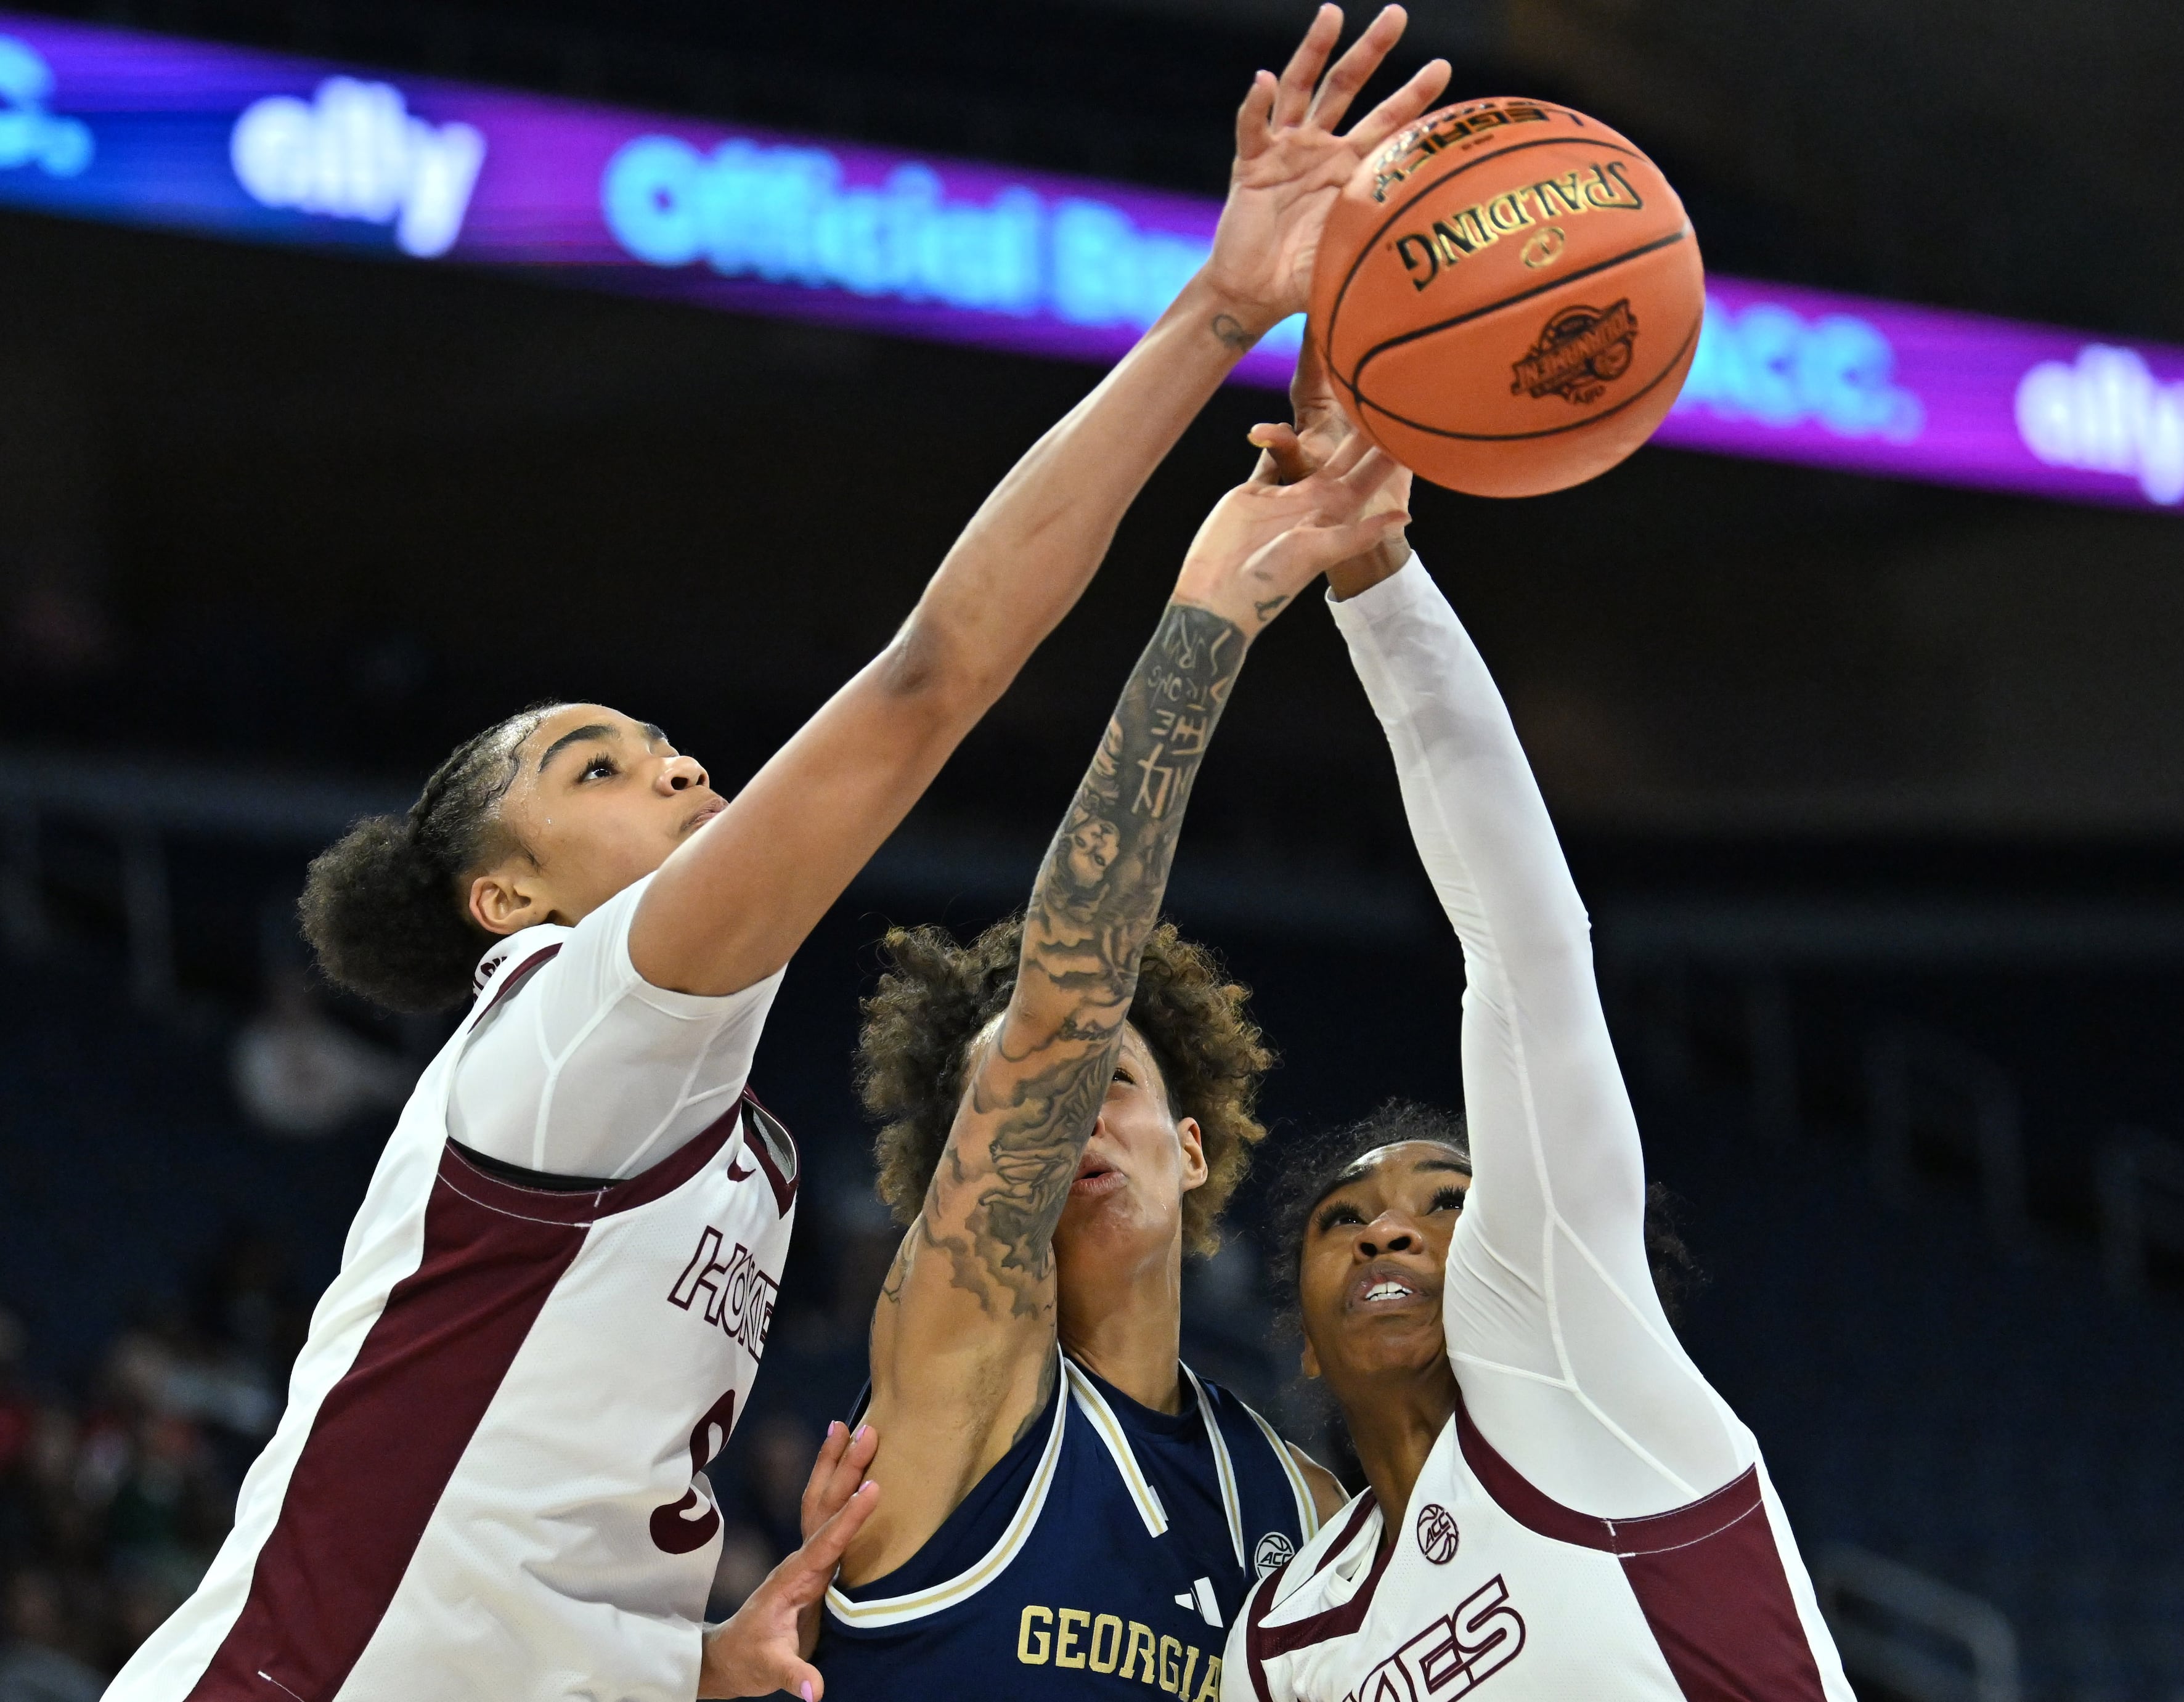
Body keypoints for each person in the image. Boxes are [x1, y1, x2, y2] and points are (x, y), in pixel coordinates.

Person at [98, 29, 1397, 1692]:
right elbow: (936, 674)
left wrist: (687, 1655)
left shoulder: (710, 1119)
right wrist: (1216, 318)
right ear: (512, 901)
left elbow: (526, 1511)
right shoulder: (573, 1015)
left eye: (663, 742)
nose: (679, 764)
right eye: (598, 765)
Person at [820, 282, 1419, 1702]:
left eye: (1117, 1087)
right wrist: (1215, 614)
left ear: (1193, 1143)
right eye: (1024, 1101)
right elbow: (1063, 994)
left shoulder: (1301, 1512)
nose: (1068, 1109)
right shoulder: (959, 1374)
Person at [1223, 363, 1856, 1702]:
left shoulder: (1572, 1356)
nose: (1389, 1229)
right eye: (1346, 1220)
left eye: (1445, 1201)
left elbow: (1526, 949)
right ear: (1300, 1322)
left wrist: (1377, 577)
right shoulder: (1279, 1639)